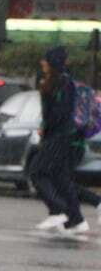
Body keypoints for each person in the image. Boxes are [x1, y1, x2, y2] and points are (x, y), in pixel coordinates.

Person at [30, 47, 89, 236]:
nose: (42, 62)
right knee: (60, 177)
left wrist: (46, 128)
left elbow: (58, 113)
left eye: (45, 60)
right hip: (59, 135)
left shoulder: (62, 83)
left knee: (37, 172)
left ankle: (58, 210)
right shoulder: (55, 82)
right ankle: (76, 219)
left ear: (52, 62)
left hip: (59, 136)